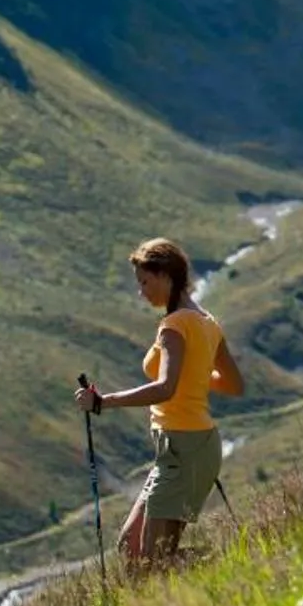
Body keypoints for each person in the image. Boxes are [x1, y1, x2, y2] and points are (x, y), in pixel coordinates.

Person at [72, 238, 243, 567]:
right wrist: (192, 377)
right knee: (132, 550)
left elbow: (165, 388)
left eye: (144, 282)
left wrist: (102, 402)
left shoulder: (174, 326)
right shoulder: (207, 322)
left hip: (186, 446)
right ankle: (221, 564)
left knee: (151, 561)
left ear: (165, 275)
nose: (141, 291)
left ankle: (226, 566)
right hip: (185, 445)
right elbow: (232, 384)